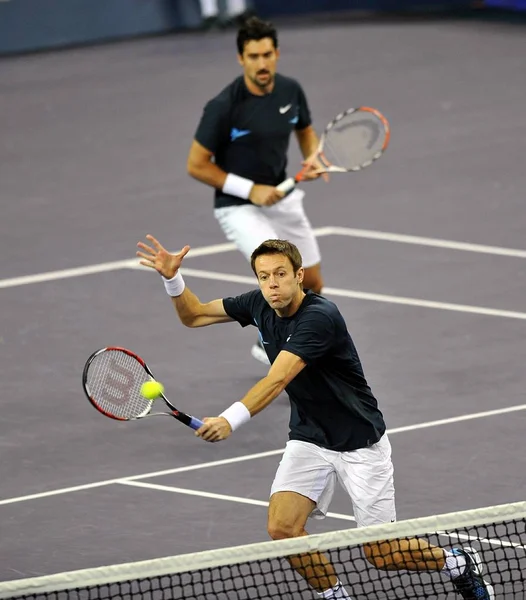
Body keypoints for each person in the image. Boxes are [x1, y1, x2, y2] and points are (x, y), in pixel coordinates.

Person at [136, 234, 494, 600]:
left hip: (359, 443)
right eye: (263, 276)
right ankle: (336, 596)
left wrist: (229, 419)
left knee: (384, 555)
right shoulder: (258, 304)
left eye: (280, 274)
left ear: (299, 275)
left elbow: (277, 379)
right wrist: (172, 279)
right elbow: (194, 315)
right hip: (309, 437)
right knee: (282, 529)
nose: (272, 284)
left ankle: (458, 563)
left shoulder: (320, 318)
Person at [187, 16, 327, 365]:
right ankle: (278, 350)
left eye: (267, 55)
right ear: (241, 59)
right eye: (253, 57)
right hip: (238, 206)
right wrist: (251, 191)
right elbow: (196, 164)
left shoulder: (291, 90)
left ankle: (268, 348)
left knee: (311, 282)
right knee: (277, 273)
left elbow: (305, 130)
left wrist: (313, 158)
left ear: (276, 54)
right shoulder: (223, 107)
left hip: (283, 196)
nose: (261, 64)